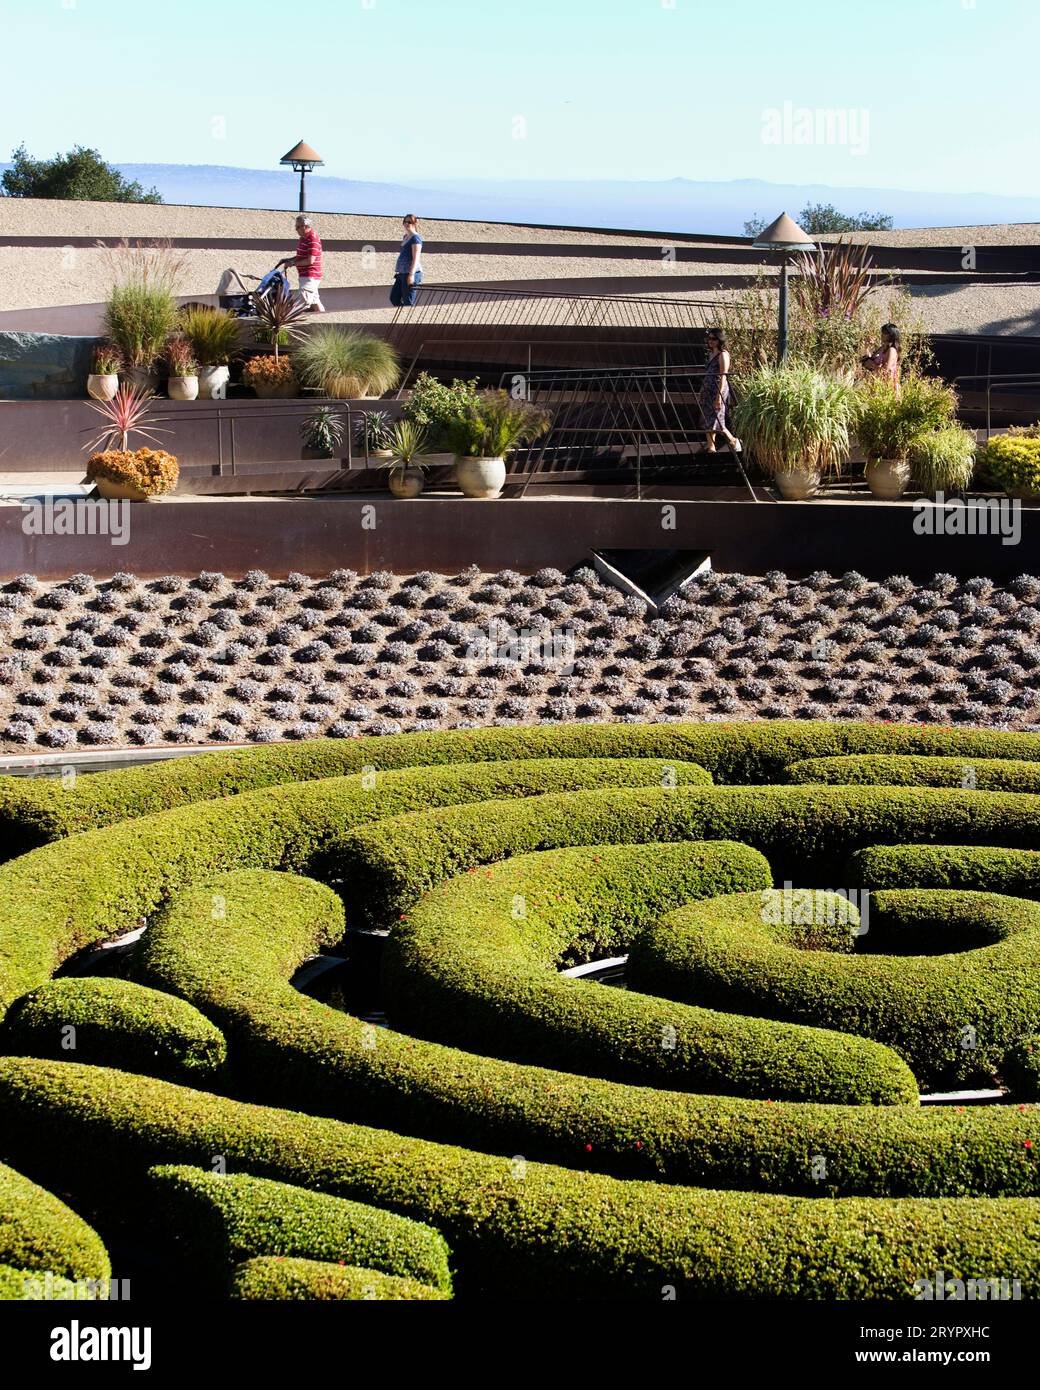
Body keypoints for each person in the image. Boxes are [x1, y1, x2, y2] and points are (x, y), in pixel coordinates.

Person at [699, 327, 742, 453]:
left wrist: (719, 396)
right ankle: (711, 446)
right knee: (708, 418)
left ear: (719, 340)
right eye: (709, 339)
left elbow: (723, 375)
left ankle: (733, 440)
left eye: (713, 339)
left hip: (718, 389)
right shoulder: (712, 354)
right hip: (708, 390)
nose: (710, 341)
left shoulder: (723, 355)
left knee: (717, 418)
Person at [278, 215, 324, 313]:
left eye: (298, 227)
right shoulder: (303, 239)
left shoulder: (312, 238)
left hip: (310, 276)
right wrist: (288, 260)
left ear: (305, 226)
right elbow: (300, 257)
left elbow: (310, 260)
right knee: (316, 304)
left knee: (299, 303)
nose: (296, 230)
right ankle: (326, 322)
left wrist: (293, 263)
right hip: (305, 276)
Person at [390, 214, 423, 307]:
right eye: (405, 221)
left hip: (410, 273)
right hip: (401, 273)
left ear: (414, 223)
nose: (406, 224)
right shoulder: (405, 237)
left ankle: (408, 319)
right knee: (394, 298)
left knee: (408, 301)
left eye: (409, 222)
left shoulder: (416, 238)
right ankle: (403, 315)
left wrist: (411, 275)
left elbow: (416, 258)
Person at [861, 323, 901, 398]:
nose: (882, 335)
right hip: (876, 385)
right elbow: (867, 361)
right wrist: (867, 347)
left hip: (886, 387)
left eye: (885, 333)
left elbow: (886, 372)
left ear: (892, 335)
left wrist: (872, 365)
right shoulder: (882, 348)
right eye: (882, 332)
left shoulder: (891, 350)